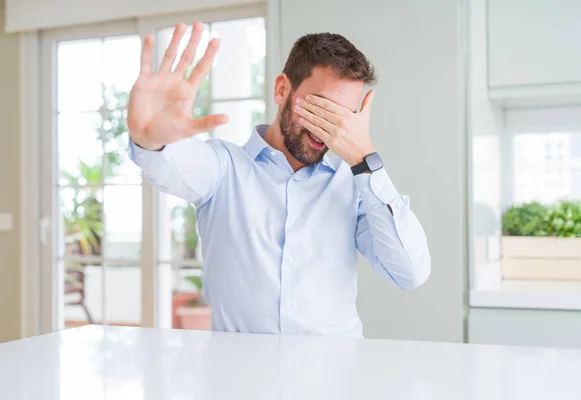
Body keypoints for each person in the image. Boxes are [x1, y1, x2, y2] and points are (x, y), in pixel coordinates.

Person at [128, 22, 431, 337]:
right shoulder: (222, 168)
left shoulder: (355, 185)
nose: (324, 128)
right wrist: (149, 138)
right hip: (240, 377)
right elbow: (169, 163)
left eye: (341, 117)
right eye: (319, 107)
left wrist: (365, 160)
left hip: (334, 379)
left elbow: (410, 272)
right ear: (282, 89)